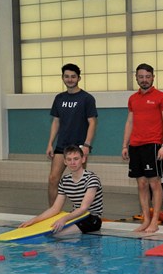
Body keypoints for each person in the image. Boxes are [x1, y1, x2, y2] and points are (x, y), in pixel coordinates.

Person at [121, 63, 163, 234]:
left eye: (147, 77)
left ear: (153, 77)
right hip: (135, 145)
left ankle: (155, 220)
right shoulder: (133, 99)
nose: (144, 80)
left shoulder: (162, 97)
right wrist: (124, 144)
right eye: (141, 77)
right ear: (136, 78)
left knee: (154, 183)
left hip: (153, 145)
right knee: (141, 183)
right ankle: (146, 219)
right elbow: (129, 122)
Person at [21, 145, 104, 236]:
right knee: (49, 233)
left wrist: (64, 219)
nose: (72, 162)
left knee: (57, 234)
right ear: (65, 161)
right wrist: (34, 220)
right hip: (76, 217)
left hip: (91, 219)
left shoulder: (91, 180)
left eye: (76, 159)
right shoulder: (65, 180)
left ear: (83, 159)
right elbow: (55, 208)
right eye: (69, 159)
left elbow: (83, 209)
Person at [46, 63, 98, 205]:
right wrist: (50, 143)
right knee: (53, 179)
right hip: (62, 145)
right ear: (63, 78)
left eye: (73, 77)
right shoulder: (59, 98)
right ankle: (53, 211)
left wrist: (86, 145)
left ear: (79, 78)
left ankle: (80, 211)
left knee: (80, 182)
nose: (70, 79)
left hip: (79, 146)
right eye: (67, 76)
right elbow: (56, 121)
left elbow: (92, 122)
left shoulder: (87, 98)